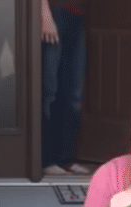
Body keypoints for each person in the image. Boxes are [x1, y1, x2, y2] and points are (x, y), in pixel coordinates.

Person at [41, 0, 90, 176]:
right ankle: (46, 160)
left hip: (76, 13)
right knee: (49, 90)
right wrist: (44, 13)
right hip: (54, 12)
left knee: (73, 92)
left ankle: (66, 158)